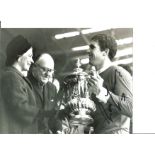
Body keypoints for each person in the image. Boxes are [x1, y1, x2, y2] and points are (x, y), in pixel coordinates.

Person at [87, 34, 132, 134]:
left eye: (92, 47)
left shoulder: (119, 73)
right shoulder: (92, 78)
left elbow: (130, 107)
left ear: (105, 52)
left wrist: (103, 92)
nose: (88, 51)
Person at [0, 35, 39, 133]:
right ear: (19, 55)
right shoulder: (11, 77)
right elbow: (20, 109)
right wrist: (44, 114)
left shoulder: (15, 77)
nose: (32, 61)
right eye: (30, 56)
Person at [28, 53, 62, 133]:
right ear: (34, 67)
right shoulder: (25, 84)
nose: (47, 74)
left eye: (50, 70)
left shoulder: (52, 88)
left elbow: (55, 114)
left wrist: (58, 130)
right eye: (44, 69)